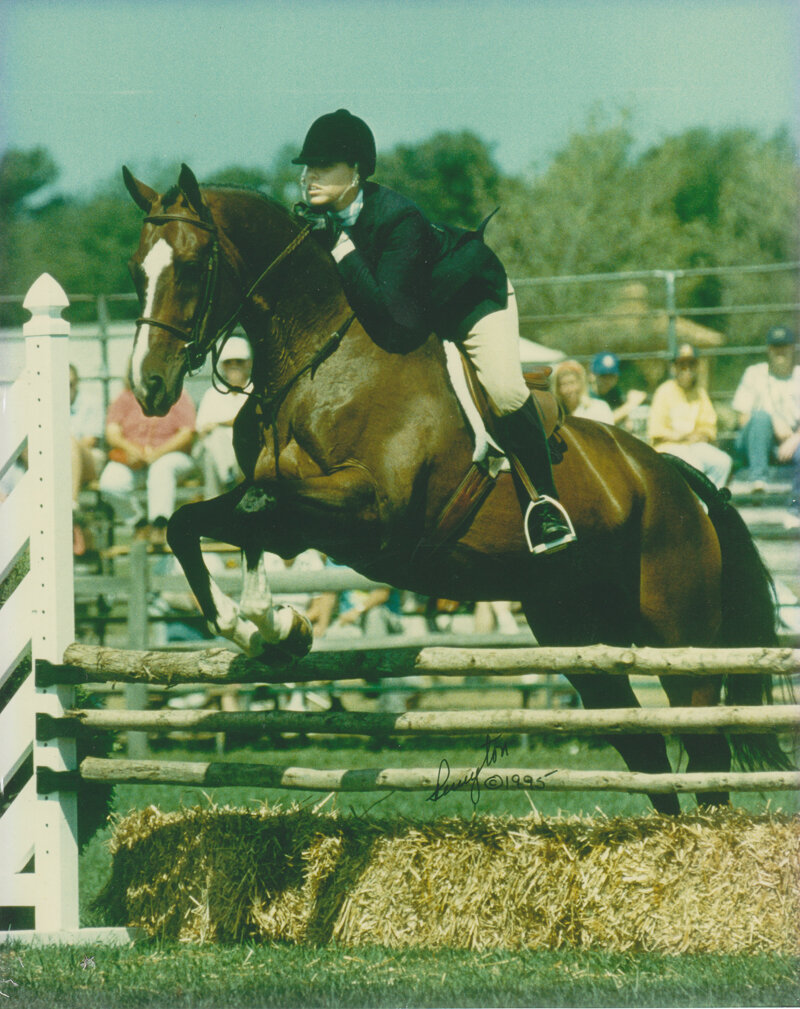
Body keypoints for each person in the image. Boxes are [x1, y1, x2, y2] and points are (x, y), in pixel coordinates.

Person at [291, 108, 574, 555]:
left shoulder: (398, 219)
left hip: (468, 300)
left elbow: (394, 318)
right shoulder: (317, 219)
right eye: (307, 167)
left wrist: (341, 247)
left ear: (357, 171)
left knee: (502, 389)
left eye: (324, 167)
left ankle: (545, 503)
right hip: (413, 312)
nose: (310, 177)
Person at [98, 375, 197, 543]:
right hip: (134, 458)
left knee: (162, 467)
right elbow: (112, 433)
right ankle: (138, 522)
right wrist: (132, 450)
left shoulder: (178, 396)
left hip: (170, 455)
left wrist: (158, 453)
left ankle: (160, 523)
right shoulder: (125, 398)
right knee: (110, 482)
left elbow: (187, 433)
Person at [732, 325, 800, 522]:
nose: (780, 351)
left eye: (784, 346)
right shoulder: (755, 373)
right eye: (775, 347)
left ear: (792, 348)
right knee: (761, 417)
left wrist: (795, 439)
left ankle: (795, 511)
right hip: (756, 442)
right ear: (769, 350)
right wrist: (773, 419)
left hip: (790, 442)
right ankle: (758, 479)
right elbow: (742, 419)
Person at [646, 344, 732, 489]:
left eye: (691, 364)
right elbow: (657, 431)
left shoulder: (700, 393)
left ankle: (710, 507)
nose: (687, 369)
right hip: (669, 447)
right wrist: (683, 437)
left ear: (696, 367)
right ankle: (694, 507)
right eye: (682, 365)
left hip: (693, 444)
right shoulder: (664, 391)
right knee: (694, 466)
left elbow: (708, 427)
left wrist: (699, 435)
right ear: (674, 367)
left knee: (723, 461)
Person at [195, 336, 253, 494]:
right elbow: (201, 428)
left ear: (248, 363)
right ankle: (227, 476)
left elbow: (250, 423)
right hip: (215, 451)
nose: (234, 366)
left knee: (217, 440)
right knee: (215, 442)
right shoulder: (212, 393)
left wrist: (220, 423)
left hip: (247, 450)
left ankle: (227, 480)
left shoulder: (255, 390)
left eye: (239, 361)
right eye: (229, 362)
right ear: (222, 365)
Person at [590, 352, 647, 431]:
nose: (607, 380)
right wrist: (630, 405)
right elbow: (601, 423)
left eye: (611, 376)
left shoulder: (613, 392)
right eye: (603, 376)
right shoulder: (587, 396)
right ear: (592, 375)